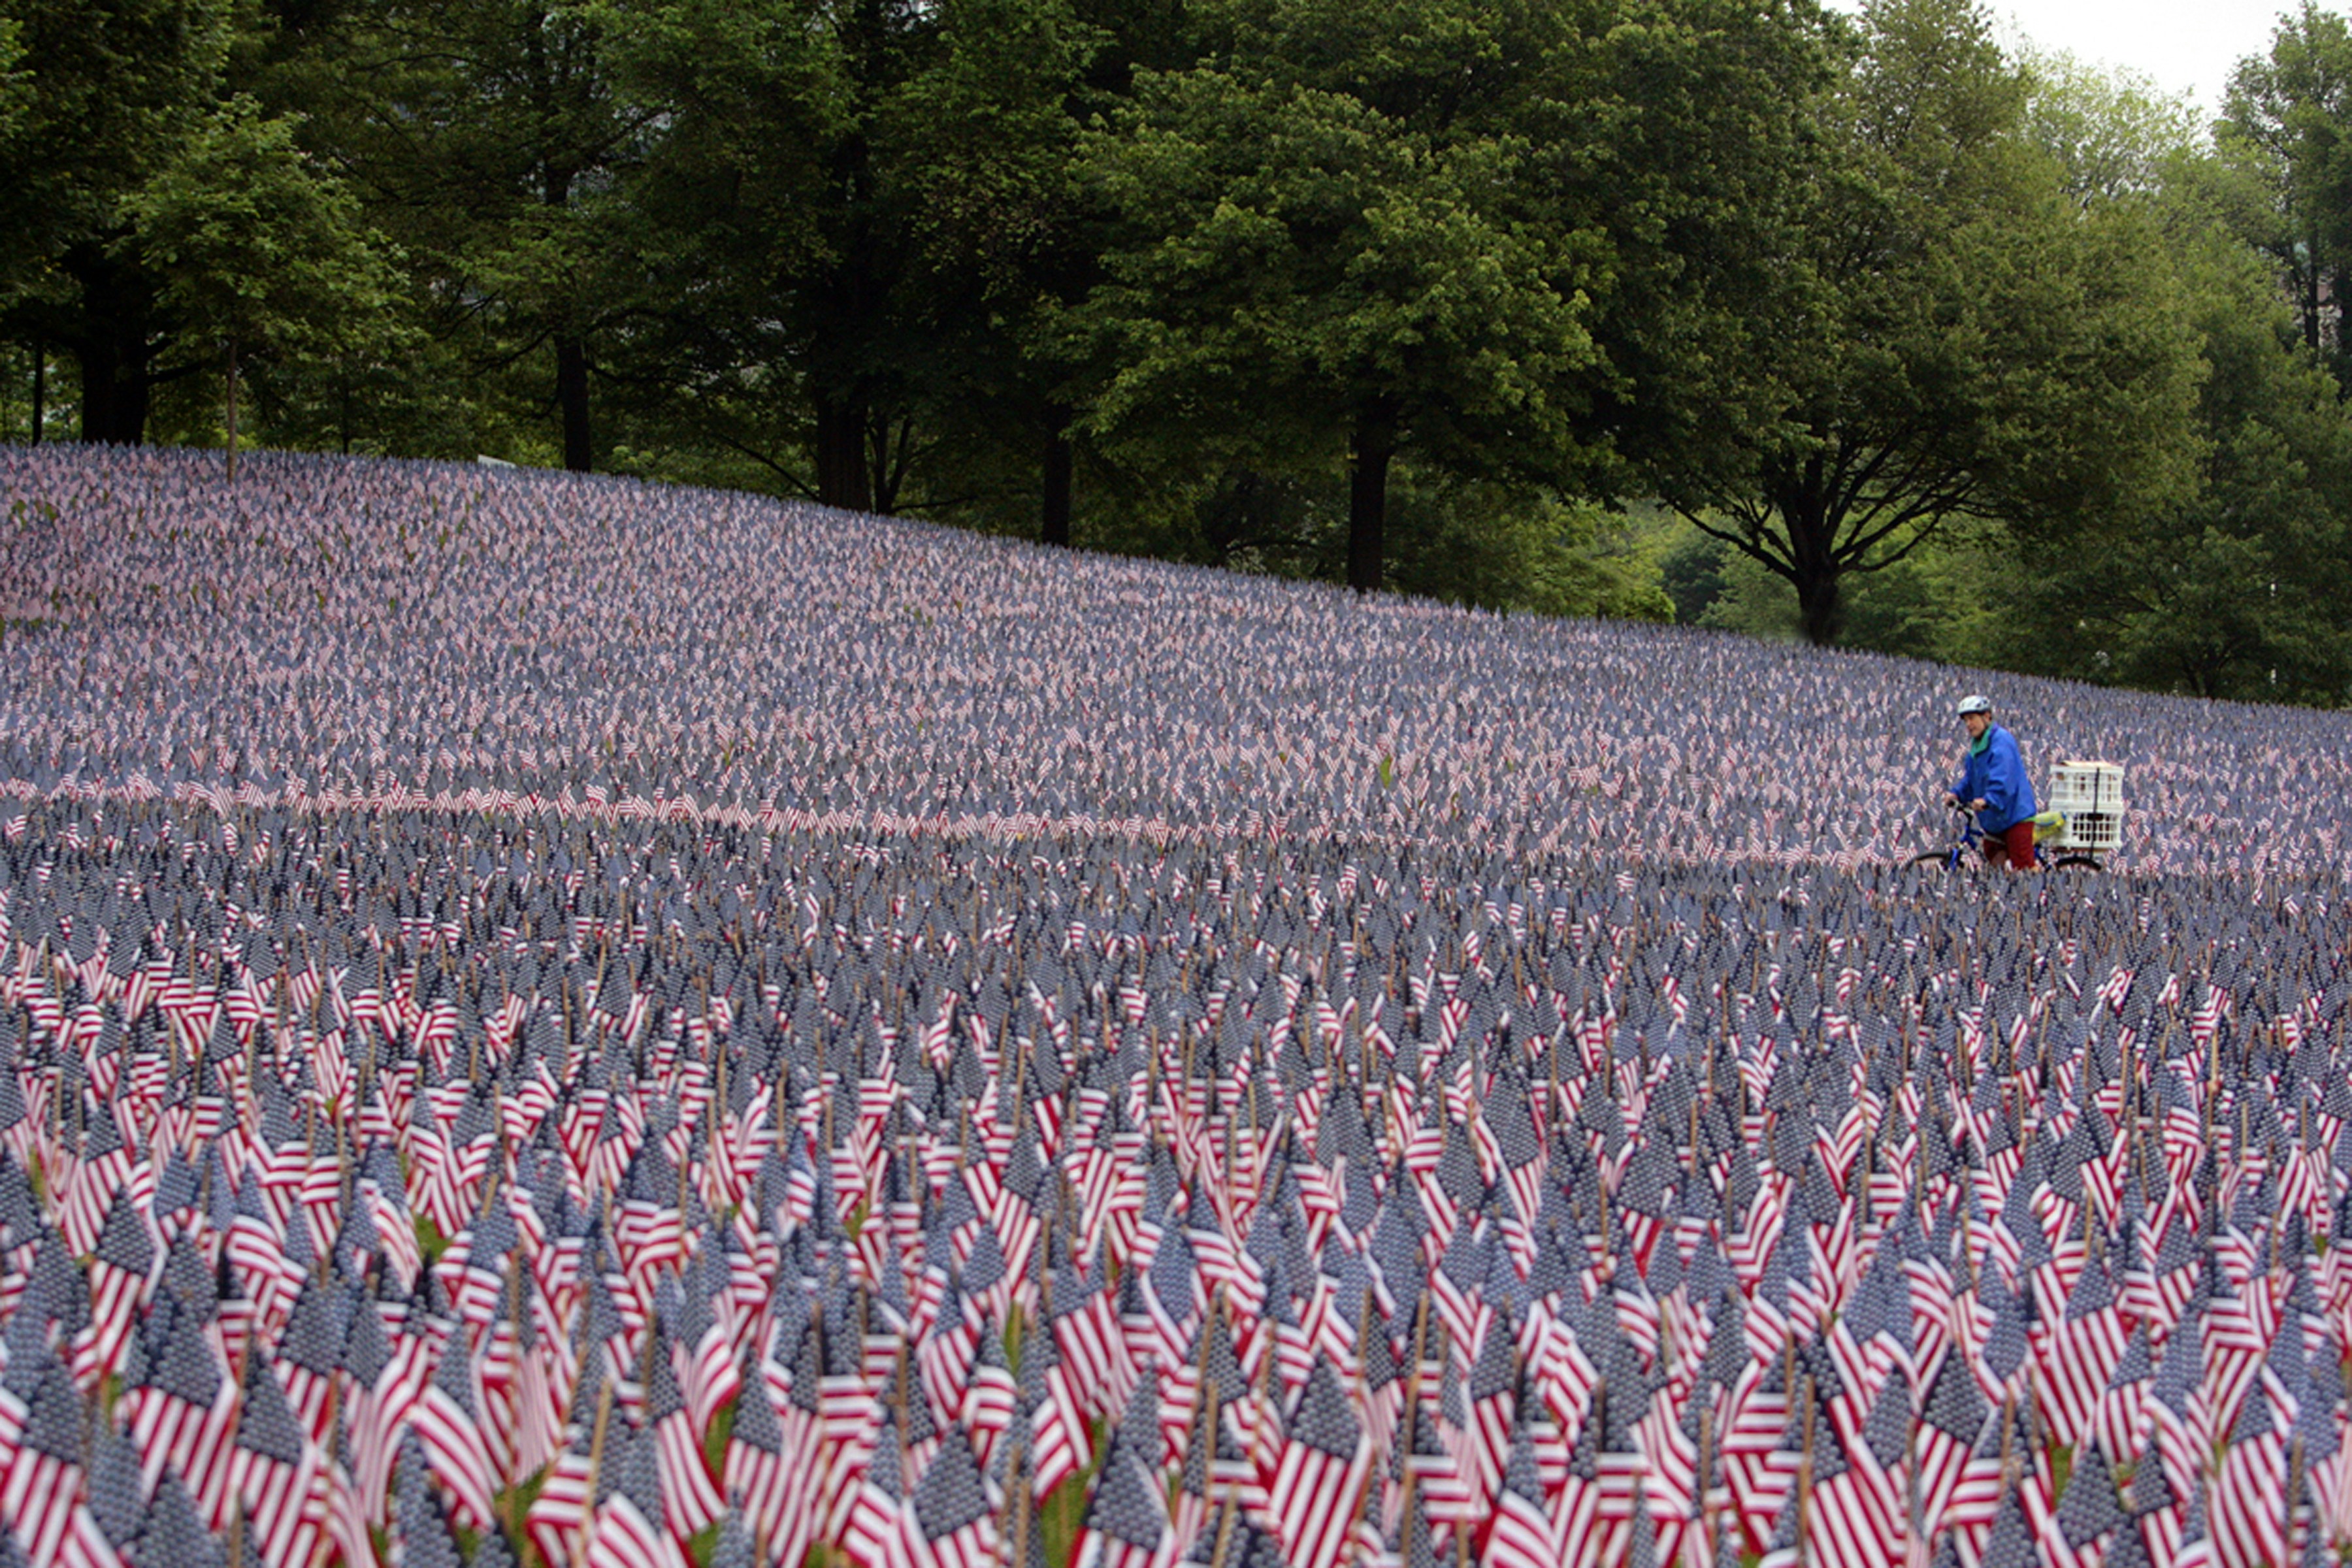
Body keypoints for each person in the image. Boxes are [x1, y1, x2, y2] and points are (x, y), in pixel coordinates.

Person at [1947, 694, 2038, 870]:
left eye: (1972, 718)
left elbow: (2003, 780)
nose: (1968, 725)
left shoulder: (2001, 742)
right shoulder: (1977, 747)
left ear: (1987, 716)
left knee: (2023, 870)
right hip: (1994, 820)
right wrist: (1956, 793)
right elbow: (1971, 780)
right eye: (1966, 720)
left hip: (2015, 816)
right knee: (1995, 867)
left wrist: (1988, 800)